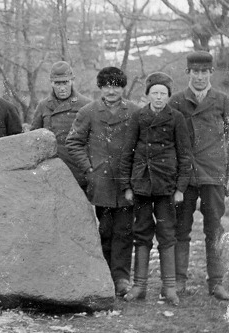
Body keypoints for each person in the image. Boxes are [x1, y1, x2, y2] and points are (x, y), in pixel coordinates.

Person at [119, 72, 192, 306]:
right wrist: (126, 186)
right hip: (141, 184)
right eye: (155, 93)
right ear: (147, 94)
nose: (159, 97)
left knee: (167, 234)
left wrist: (180, 187)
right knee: (141, 233)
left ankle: (169, 287)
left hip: (166, 185)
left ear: (168, 96)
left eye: (163, 94)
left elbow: (184, 155)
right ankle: (139, 286)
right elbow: (127, 152)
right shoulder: (138, 116)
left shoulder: (176, 118)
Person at [65, 66, 139, 297]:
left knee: (125, 231)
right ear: (100, 87)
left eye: (116, 86)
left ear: (122, 87)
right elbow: (73, 142)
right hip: (102, 183)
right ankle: (106, 275)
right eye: (107, 86)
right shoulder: (88, 112)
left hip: (127, 183)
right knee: (106, 230)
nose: (111, 91)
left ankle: (122, 278)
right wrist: (89, 168)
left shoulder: (135, 112)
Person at [169, 51, 229, 300]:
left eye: (205, 72)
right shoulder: (176, 101)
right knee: (181, 229)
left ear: (210, 73)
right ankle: (179, 281)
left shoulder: (223, 101)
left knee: (214, 229)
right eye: (196, 71)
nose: (200, 76)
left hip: (213, 174)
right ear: (188, 73)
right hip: (185, 176)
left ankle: (216, 283)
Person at [31, 61, 91, 189]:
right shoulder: (43, 106)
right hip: (52, 169)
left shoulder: (85, 105)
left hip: (78, 169)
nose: (62, 87)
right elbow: (34, 139)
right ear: (51, 83)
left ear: (72, 81)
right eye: (58, 83)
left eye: (65, 82)